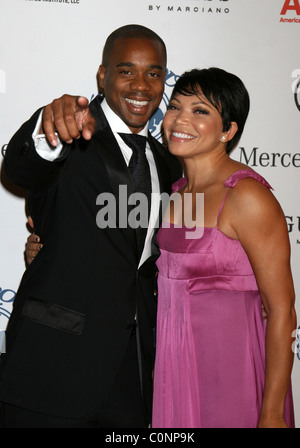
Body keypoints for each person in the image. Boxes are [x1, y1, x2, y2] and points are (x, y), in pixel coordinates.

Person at [0, 24, 182, 428]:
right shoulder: (70, 135)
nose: (141, 85)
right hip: (52, 369)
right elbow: (19, 165)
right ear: (102, 76)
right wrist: (47, 127)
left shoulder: (168, 162)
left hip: (133, 377)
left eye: (154, 73)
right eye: (126, 71)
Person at [151, 68, 296, 428]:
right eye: (175, 107)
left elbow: (282, 312)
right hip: (174, 368)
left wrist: (273, 414)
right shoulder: (174, 194)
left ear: (228, 131)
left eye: (200, 111)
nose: (180, 119)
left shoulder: (246, 196)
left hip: (232, 376)